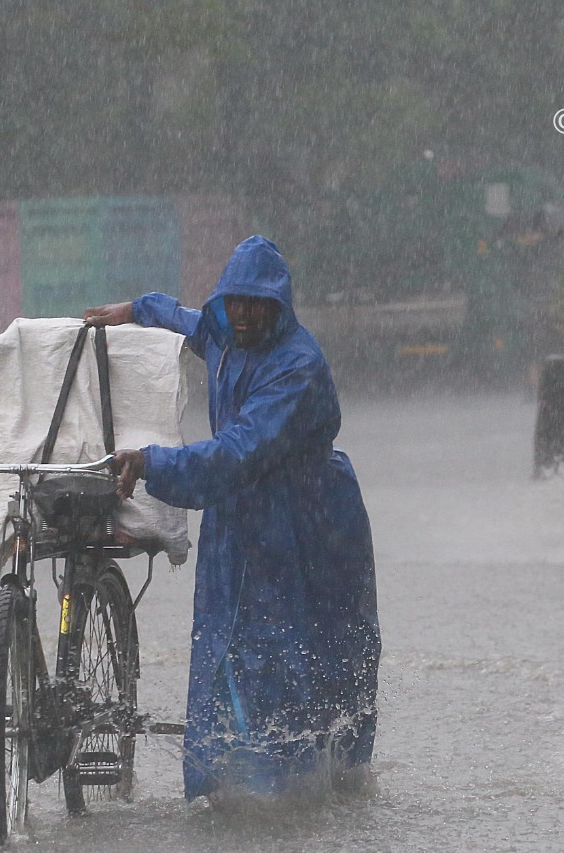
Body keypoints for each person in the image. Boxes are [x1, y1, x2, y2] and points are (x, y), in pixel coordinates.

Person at [83, 235, 380, 802]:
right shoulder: (225, 331)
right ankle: (234, 788)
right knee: (228, 645)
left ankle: (314, 788)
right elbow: (186, 321)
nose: (242, 314)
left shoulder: (297, 365)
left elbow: (241, 450)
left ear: (278, 305)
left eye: (254, 303)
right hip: (240, 516)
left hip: (307, 521)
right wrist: (137, 309)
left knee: (314, 649)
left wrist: (151, 462)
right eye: (233, 301)